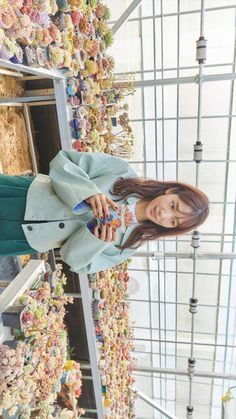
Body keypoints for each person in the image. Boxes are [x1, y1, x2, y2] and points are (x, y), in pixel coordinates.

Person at [0, 150, 209, 274]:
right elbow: (63, 160)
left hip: (28, 238)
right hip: (27, 195)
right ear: (171, 191)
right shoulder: (122, 173)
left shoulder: (126, 246)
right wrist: (87, 193)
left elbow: (73, 261)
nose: (164, 215)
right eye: (173, 206)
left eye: (173, 222)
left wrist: (94, 238)